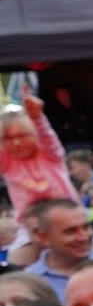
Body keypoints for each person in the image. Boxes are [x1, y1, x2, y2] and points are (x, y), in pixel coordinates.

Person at [0, 88, 79, 228]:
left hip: (69, 221)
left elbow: (46, 136)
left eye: (21, 135)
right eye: (8, 138)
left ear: (34, 134)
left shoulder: (50, 155)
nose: (16, 142)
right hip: (32, 229)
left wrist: (37, 118)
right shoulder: (8, 162)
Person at [25, 199, 93, 304]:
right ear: (44, 237)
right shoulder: (30, 283)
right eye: (71, 231)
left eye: (86, 227)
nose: (83, 237)